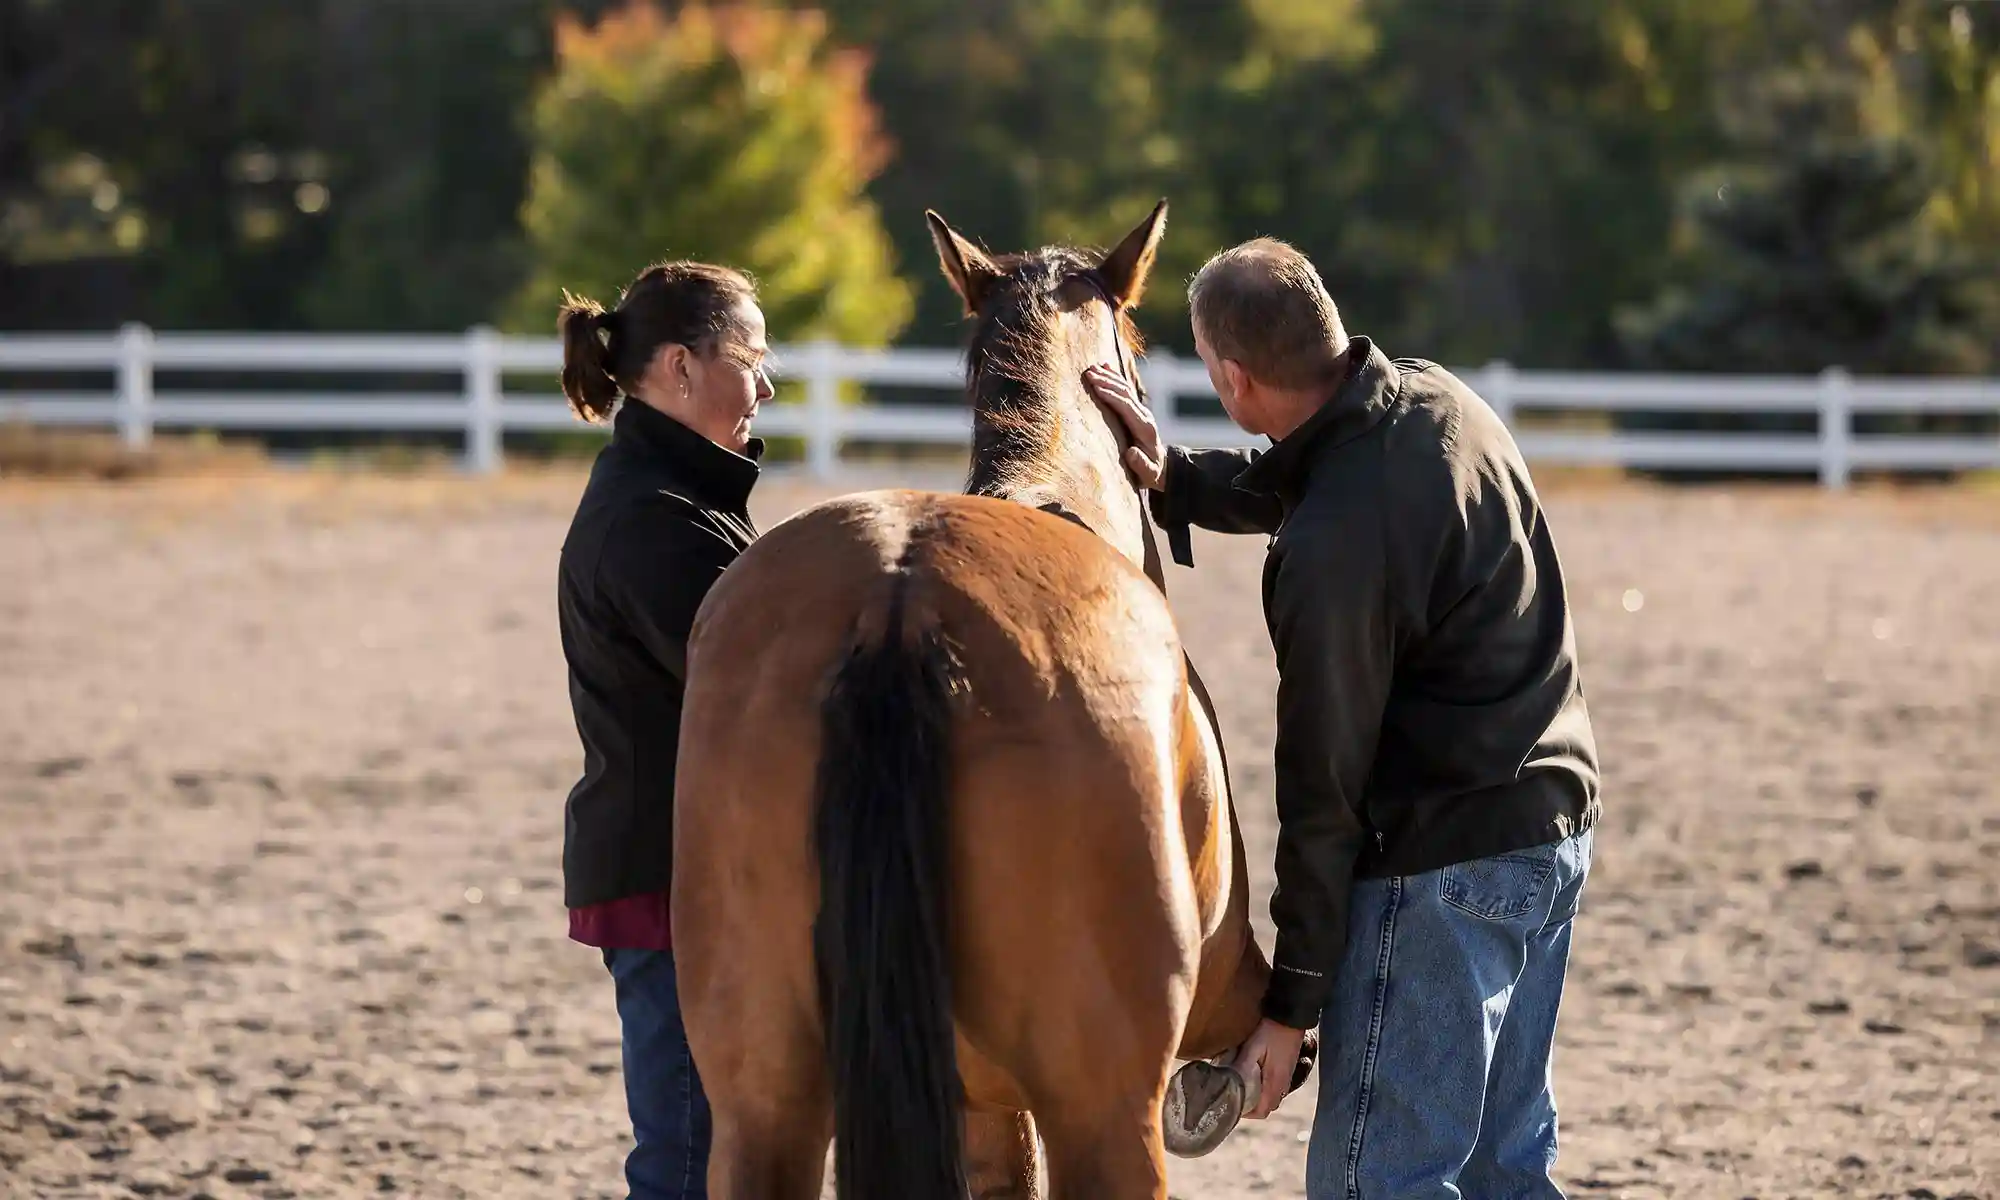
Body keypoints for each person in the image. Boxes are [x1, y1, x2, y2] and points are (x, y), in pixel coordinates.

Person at [1085, 238, 1601, 1199]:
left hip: (1440, 866)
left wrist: (1292, 1003)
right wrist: (1181, 478)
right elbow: (1333, 482)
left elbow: (1323, 786)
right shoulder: (1437, 400)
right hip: (1551, 829)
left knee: (1381, 1182)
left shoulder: (1330, 554)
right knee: (1504, 1172)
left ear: (1235, 377)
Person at [554, 261, 774, 1200]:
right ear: (681, 368)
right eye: (753, 359)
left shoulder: (678, 499)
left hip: (688, 869)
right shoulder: (654, 522)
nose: (765, 385)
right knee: (689, 1156)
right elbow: (762, 693)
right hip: (672, 881)